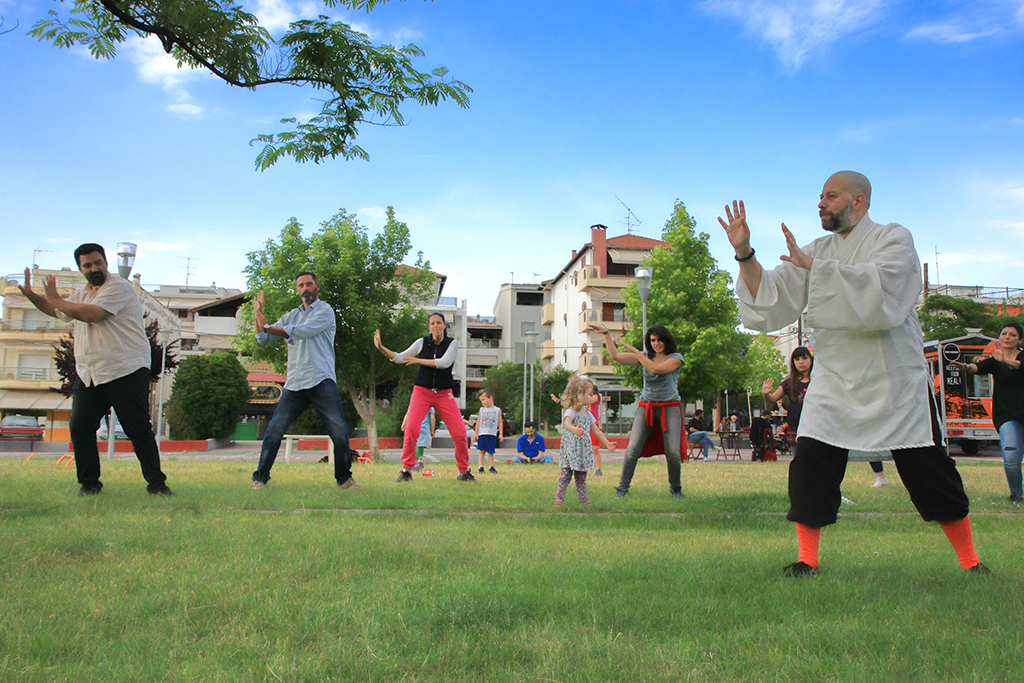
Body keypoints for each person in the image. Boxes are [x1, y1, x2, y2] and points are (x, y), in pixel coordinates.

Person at [720, 170, 988, 575]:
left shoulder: (893, 238)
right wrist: (745, 253)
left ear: (858, 201)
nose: (821, 203)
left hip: (893, 377)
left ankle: (971, 562)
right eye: (820, 196)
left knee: (928, 469)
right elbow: (771, 295)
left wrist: (817, 268)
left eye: (830, 195)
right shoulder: (817, 249)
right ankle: (806, 560)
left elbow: (884, 289)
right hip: (836, 379)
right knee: (811, 462)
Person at [18, 245, 172, 496]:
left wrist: (57, 299)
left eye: (98, 262)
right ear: (81, 269)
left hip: (126, 369)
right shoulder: (81, 293)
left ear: (106, 261)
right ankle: (89, 484)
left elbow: (93, 314)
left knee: (138, 429)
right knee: (80, 427)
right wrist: (32, 297)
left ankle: (157, 485)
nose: (94, 268)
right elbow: (59, 311)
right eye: (87, 265)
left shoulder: (119, 287)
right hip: (90, 372)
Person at [251, 272, 358, 490]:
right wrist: (258, 314)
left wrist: (266, 325)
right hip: (295, 384)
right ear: (297, 290)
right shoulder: (291, 315)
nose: (305, 288)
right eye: (301, 285)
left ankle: (344, 479)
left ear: (317, 286)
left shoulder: (325, 311)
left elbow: (301, 332)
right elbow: (263, 338)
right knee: (274, 431)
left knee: (339, 431)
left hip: (321, 380)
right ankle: (260, 479)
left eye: (309, 284)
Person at [374, 312, 475, 482]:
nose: (435, 326)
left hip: (444, 393)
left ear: (444, 325)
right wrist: (381, 348)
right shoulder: (422, 342)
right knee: (412, 429)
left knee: (460, 434)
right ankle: (406, 470)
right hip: (422, 391)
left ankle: (463, 472)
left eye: (439, 322)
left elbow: (444, 363)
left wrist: (418, 361)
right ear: (429, 326)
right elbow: (400, 358)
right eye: (432, 323)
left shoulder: (453, 343)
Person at [590, 322, 686, 499]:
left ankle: (676, 490)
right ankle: (622, 489)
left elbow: (656, 369)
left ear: (666, 340)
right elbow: (616, 356)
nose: (656, 343)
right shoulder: (644, 356)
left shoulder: (675, 358)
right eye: (653, 340)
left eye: (659, 340)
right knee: (632, 449)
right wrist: (607, 334)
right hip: (647, 406)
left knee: (673, 452)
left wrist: (637, 354)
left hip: (670, 407)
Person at [952, 321, 1024, 503]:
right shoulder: (994, 360)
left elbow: (1018, 366)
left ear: (1020, 339)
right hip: (1007, 414)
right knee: (1011, 457)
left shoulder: (1019, 358)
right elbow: (978, 368)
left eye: (1013, 334)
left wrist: (1004, 361)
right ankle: (1016, 495)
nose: (1007, 337)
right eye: (1004, 333)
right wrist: (966, 367)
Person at [555, 378, 616, 505]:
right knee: (566, 475)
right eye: (588, 394)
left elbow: (596, 430)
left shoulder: (588, 414)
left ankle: (583, 500)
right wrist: (574, 429)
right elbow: (567, 424)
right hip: (571, 450)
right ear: (578, 396)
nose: (591, 397)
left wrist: (607, 443)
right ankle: (559, 499)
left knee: (581, 477)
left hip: (582, 451)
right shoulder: (571, 412)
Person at [763, 346, 813, 444]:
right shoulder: (789, 383)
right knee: (798, 458)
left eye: (804, 358)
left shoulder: (818, 382)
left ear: (811, 360)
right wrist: (766, 394)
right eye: (797, 359)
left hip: (815, 427)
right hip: (795, 428)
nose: (801, 362)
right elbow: (772, 398)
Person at [473, 389, 503, 474]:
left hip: (492, 434)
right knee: (481, 450)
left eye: (484, 399)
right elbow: (479, 421)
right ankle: (481, 467)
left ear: (491, 398)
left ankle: (491, 466)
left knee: (490, 451)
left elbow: (500, 422)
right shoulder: (482, 410)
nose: (483, 402)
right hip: (482, 433)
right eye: (481, 400)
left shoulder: (497, 410)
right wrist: (476, 433)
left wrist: (500, 433)